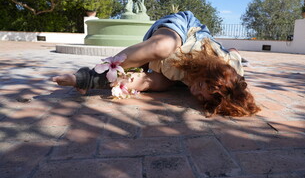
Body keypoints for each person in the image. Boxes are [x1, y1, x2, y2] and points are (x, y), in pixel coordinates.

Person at [52, 11, 260, 117]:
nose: (196, 93)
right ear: (214, 74)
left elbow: (150, 80)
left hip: (171, 71)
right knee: (163, 47)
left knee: (157, 84)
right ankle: (98, 71)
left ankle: (85, 81)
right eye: (203, 87)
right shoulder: (229, 64)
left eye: (200, 97)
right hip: (182, 30)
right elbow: (234, 52)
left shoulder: (199, 86)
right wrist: (234, 54)